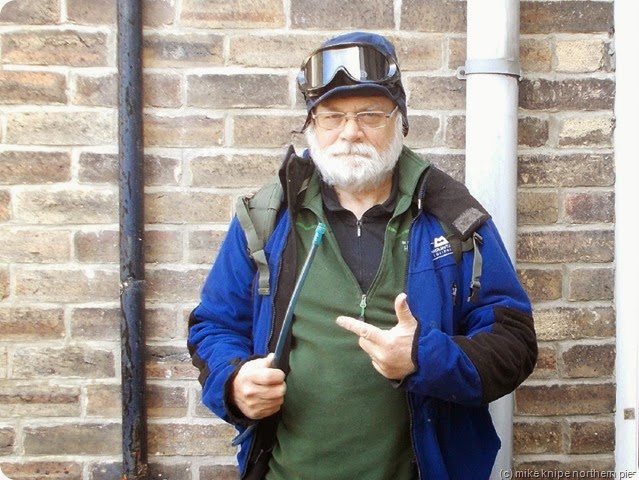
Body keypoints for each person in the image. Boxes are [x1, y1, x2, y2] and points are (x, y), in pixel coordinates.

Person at [188, 32, 537, 480]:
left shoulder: (454, 220)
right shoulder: (267, 219)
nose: (350, 131)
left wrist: (424, 358)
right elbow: (215, 325)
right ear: (312, 126)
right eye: (332, 116)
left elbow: (514, 342)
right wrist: (233, 382)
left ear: (400, 121)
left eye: (370, 114)